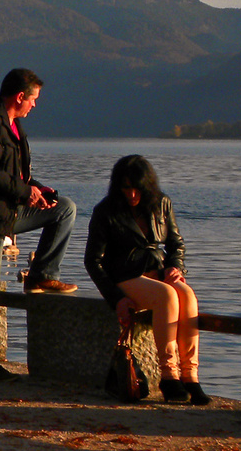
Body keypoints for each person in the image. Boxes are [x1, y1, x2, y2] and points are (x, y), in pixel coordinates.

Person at [0, 67, 78, 382]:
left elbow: (16, 176)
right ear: (20, 96)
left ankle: (42, 275)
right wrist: (26, 192)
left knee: (64, 209)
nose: (35, 105)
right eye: (33, 99)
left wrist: (39, 190)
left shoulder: (14, 127)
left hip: (7, 212)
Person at [85, 155, 210, 405]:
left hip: (158, 270)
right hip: (124, 275)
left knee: (187, 295)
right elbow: (93, 261)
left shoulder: (162, 203)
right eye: (126, 188)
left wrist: (176, 266)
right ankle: (169, 376)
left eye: (137, 188)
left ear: (147, 186)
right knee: (167, 296)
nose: (131, 194)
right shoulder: (105, 210)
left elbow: (176, 243)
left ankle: (191, 377)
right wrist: (117, 299)